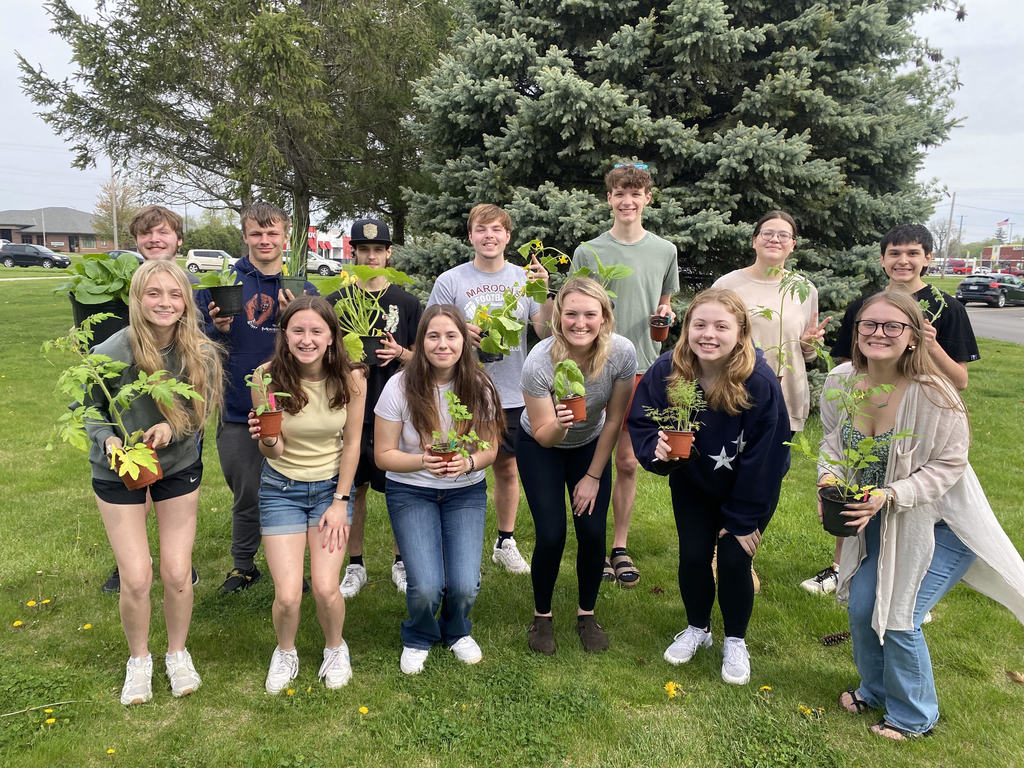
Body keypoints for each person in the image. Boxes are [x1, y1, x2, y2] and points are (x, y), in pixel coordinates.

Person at [825, 290, 1024, 740]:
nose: (879, 333)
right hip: (881, 517)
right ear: (856, 333)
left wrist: (891, 493)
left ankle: (915, 717)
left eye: (892, 326)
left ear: (913, 337)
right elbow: (833, 445)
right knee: (861, 607)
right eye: (869, 325)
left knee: (900, 612)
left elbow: (950, 466)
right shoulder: (840, 381)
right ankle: (875, 691)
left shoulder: (934, 394)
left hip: (942, 526)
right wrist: (826, 479)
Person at [801, 223, 979, 595]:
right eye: (894, 253)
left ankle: (910, 584)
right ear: (882, 260)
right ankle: (841, 567)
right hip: (869, 411)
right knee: (851, 481)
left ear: (928, 259)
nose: (903, 260)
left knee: (910, 501)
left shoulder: (948, 308)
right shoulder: (864, 308)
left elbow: (958, 380)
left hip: (918, 420)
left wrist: (929, 345)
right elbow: (850, 368)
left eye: (913, 253)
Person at [628, 288, 790, 685]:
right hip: (695, 483)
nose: (708, 334)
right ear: (687, 327)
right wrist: (657, 448)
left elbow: (768, 456)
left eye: (721, 326)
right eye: (699, 324)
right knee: (694, 556)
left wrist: (742, 519)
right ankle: (697, 628)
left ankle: (735, 639)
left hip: (750, 488)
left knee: (735, 558)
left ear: (741, 331)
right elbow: (644, 422)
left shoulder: (759, 381)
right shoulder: (669, 369)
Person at [86, 260, 223, 705]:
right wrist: (107, 437)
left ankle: (177, 653)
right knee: (138, 577)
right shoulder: (111, 351)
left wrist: (172, 427)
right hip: (118, 467)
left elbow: (200, 412)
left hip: (178, 463)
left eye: (174, 294)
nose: (165, 303)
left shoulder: (198, 353)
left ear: (187, 301)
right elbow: (86, 409)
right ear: (138, 299)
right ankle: (139, 660)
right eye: (154, 294)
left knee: (177, 572)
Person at [374, 305, 503, 674]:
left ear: (464, 340)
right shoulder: (400, 387)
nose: (442, 344)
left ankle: (457, 630)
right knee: (427, 586)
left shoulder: (479, 387)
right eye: (433, 336)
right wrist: (422, 462)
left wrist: (469, 463)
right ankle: (418, 634)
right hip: (411, 490)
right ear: (421, 341)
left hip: (464, 491)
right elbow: (383, 455)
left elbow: (490, 448)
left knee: (463, 585)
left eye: (451, 336)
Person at [197, 202, 319, 593]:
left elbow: (317, 342)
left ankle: (291, 568)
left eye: (272, 233)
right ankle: (243, 564)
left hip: (294, 406)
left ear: (285, 237)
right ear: (244, 236)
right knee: (247, 490)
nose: (265, 241)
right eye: (256, 233)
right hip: (237, 405)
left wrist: (291, 319)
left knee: (293, 488)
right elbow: (197, 345)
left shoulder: (303, 289)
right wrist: (216, 328)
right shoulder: (223, 284)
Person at [247, 297, 365, 693]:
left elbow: (351, 446)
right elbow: (273, 451)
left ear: (332, 336)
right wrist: (266, 439)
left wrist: (340, 502)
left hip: (331, 490)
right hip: (281, 489)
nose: (307, 339)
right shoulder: (264, 378)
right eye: (298, 330)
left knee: (327, 589)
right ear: (285, 335)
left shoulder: (352, 380)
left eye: (317, 331)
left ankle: (335, 647)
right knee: (287, 596)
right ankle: (285, 651)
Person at [427, 203, 552, 575]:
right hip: (463, 390)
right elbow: (432, 332)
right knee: (460, 467)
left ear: (507, 237)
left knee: (507, 468)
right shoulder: (451, 280)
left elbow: (544, 332)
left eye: (497, 230)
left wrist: (543, 294)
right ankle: (456, 545)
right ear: (471, 236)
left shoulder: (524, 278)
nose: (489, 236)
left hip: (514, 391)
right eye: (481, 230)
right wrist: (458, 331)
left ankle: (505, 541)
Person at [572, 163, 679, 587]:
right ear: (609, 199)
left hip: (645, 367)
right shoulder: (588, 251)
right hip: (598, 366)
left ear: (647, 199)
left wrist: (665, 317)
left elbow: (665, 304)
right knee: (590, 457)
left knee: (629, 461)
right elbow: (577, 310)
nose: (627, 201)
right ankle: (593, 545)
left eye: (635, 194)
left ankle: (620, 545)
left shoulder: (665, 250)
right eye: (620, 193)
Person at [518, 278, 636, 654]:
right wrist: (561, 422)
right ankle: (542, 617)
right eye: (571, 314)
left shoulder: (621, 353)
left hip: (591, 445)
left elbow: (615, 419)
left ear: (604, 317)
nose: (579, 322)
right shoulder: (539, 361)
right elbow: (542, 434)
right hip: (543, 445)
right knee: (551, 533)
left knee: (591, 532)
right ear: (559, 318)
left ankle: (587, 614)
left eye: (590, 314)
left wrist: (593, 477)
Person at [713, 210, 829, 592]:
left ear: (793, 245)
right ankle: (720, 548)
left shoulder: (804, 289)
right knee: (726, 474)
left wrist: (811, 346)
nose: (775, 240)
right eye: (767, 233)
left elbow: (805, 352)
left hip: (785, 399)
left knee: (769, 478)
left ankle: (744, 556)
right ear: (754, 240)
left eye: (784, 235)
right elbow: (711, 340)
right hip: (735, 394)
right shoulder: (729, 285)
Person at [102, 205, 200, 595]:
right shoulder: (123, 286)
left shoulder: (191, 286)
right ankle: (133, 563)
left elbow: (199, 350)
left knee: (176, 477)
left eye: (163, 233)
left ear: (178, 239)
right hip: (132, 413)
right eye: (147, 234)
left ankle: (177, 564)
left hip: (181, 410)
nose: (155, 240)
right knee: (133, 482)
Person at [326, 219, 422, 598]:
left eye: (378, 250)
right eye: (364, 250)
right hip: (351, 409)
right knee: (354, 488)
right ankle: (355, 565)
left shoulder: (407, 302)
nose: (371, 256)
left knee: (398, 485)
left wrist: (400, 353)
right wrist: (345, 362)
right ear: (353, 253)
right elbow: (323, 353)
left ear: (388, 254)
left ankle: (400, 561)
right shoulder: (338, 302)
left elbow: (425, 359)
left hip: (397, 408)